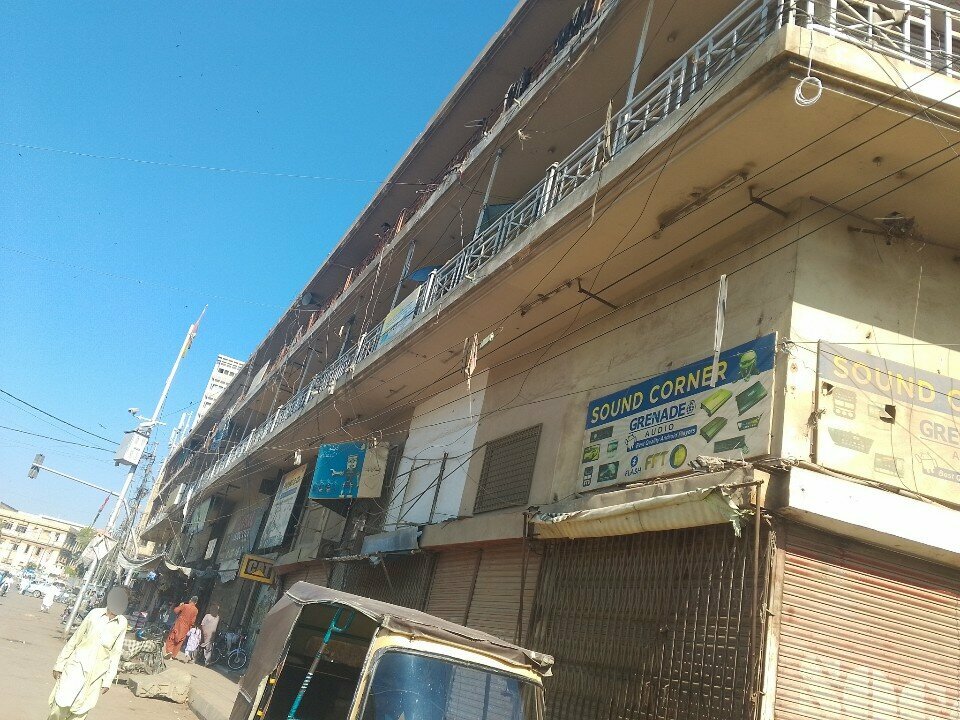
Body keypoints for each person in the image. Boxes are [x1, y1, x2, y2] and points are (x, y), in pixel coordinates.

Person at [48, 587, 128, 720]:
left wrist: (108, 680)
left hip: (96, 674)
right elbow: (75, 639)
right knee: (60, 706)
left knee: (80, 711)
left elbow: (115, 653)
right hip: (75, 667)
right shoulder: (94, 614)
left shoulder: (122, 623)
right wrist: (59, 664)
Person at [164, 595, 199, 659]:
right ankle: (173, 656)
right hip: (186, 628)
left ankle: (169, 651)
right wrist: (189, 628)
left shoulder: (185, 605)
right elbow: (192, 621)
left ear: (190, 600)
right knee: (179, 642)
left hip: (178, 625)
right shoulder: (196, 610)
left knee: (172, 638)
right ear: (196, 603)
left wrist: (180, 605)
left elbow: (176, 611)